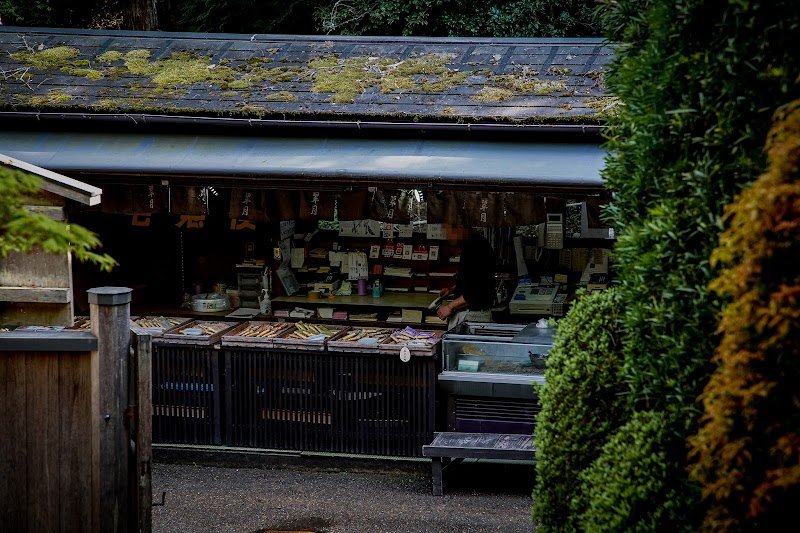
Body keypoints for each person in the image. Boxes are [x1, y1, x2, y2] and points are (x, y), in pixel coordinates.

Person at [436, 227, 496, 329]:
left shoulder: (476, 247)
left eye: (448, 230)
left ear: (460, 228)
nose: (446, 235)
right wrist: (452, 290)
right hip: (469, 314)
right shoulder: (469, 245)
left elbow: (475, 291)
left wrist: (450, 306)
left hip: (473, 316)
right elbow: (471, 279)